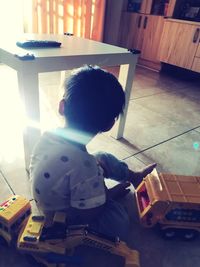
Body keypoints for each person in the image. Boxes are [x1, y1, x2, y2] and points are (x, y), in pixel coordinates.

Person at [30, 65, 156, 241]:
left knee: (101, 157)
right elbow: (88, 213)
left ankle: (134, 177)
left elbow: (69, 166)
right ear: (109, 125)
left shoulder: (48, 137)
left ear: (62, 107)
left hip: (52, 195)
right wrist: (107, 195)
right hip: (66, 216)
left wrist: (92, 175)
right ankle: (104, 194)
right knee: (119, 223)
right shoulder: (84, 166)